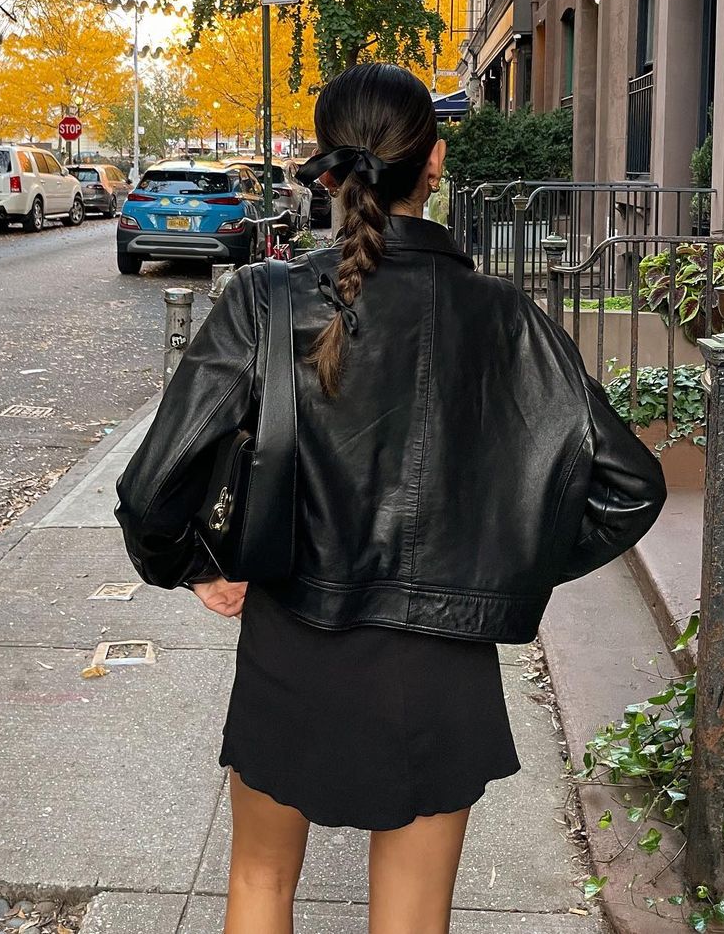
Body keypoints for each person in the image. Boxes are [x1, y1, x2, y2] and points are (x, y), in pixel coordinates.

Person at [116, 63, 666, 934]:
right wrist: (502, 560)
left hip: (293, 637)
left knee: (259, 880)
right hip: (443, 661)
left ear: (327, 170)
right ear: (435, 161)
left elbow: (152, 488)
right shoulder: (506, 315)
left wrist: (193, 564)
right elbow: (630, 485)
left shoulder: (266, 298)